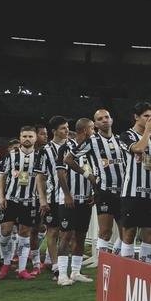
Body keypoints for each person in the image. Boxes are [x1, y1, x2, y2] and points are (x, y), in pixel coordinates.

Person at [0, 125, 49, 280]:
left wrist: (43, 199)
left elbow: (42, 179)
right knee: (5, 232)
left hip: (30, 201)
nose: (27, 139)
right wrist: (1, 197)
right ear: (20, 138)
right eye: (24, 136)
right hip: (11, 200)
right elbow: (2, 176)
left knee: (24, 234)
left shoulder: (40, 157)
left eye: (30, 136)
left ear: (35, 138)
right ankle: (6, 262)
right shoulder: (10, 155)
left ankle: (22, 269)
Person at [115, 102, 151, 262]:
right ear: (136, 117)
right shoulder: (126, 135)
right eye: (146, 116)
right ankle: (126, 267)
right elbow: (137, 148)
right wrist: (148, 131)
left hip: (150, 195)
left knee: (150, 232)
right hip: (131, 193)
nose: (150, 119)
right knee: (129, 232)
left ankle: (144, 268)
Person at [56, 118, 97, 286]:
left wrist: (94, 192)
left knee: (80, 236)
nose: (94, 132)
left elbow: (95, 173)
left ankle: (75, 272)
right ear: (86, 131)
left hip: (85, 199)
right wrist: (67, 195)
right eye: (92, 129)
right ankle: (61, 275)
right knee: (65, 235)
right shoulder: (66, 148)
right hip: (69, 200)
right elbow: (60, 173)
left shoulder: (91, 150)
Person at [85, 108, 125, 256]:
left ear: (111, 120)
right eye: (100, 118)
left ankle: (116, 257)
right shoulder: (91, 142)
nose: (104, 120)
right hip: (104, 192)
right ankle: (103, 264)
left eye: (106, 117)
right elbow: (70, 158)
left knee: (126, 232)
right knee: (105, 232)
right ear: (95, 123)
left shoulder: (121, 140)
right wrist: (88, 174)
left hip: (123, 191)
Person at [40, 115, 71, 276]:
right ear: (54, 131)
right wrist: (43, 199)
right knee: (52, 231)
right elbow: (40, 177)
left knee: (67, 233)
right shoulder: (45, 150)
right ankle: (55, 265)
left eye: (67, 127)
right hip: (53, 196)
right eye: (63, 128)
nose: (67, 130)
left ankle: (63, 262)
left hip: (71, 196)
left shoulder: (73, 146)